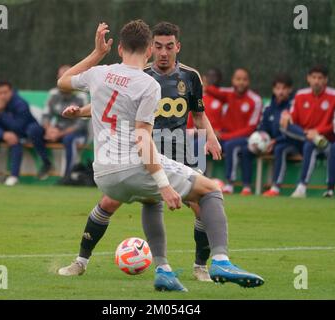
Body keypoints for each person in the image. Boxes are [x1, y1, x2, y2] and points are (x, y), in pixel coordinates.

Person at [57, 21, 264, 291]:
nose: (163, 52)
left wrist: (210, 137)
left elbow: (197, 114)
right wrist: (82, 111)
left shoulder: (188, 76)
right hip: (146, 151)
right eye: (158, 46)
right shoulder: (145, 79)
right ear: (149, 49)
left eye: (169, 47)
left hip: (171, 150)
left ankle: (194, 267)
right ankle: (83, 261)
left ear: (177, 47)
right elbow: (123, 115)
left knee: (188, 204)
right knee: (206, 193)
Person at [280, 64, 335, 198]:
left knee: (310, 145)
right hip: (304, 137)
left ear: (326, 80)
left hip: (327, 141)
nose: (316, 81)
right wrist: (287, 116)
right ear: (308, 78)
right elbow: (292, 119)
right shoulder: (300, 94)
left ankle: (302, 187)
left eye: (320, 78)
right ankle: (284, 187)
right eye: (313, 77)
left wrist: (318, 131)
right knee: (284, 124)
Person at [0, 81, 52, 186]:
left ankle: (14, 176)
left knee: (15, 140)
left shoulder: (20, 104)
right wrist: (3, 134)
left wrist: (1, 113)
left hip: (22, 132)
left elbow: (18, 127)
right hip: (3, 133)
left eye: (5, 92)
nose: (2, 96)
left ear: (11, 92)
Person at [205, 68, 263, 195]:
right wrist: (200, 81)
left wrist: (225, 136)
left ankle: (231, 184)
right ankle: (199, 181)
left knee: (233, 146)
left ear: (248, 82)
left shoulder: (255, 100)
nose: (241, 82)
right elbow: (212, 90)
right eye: (238, 79)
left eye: (244, 79)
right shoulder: (228, 94)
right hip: (227, 137)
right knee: (202, 143)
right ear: (233, 81)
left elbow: (250, 129)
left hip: (246, 138)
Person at [240, 74, 294, 196]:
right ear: (273, 90)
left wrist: (275, 141)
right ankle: (246, 187)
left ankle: (275, 188)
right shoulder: (268, 107)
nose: (280, 91)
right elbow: (262, 127)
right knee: (246, 149)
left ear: (289, 90)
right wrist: (262, 139)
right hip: (269, 142)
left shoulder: (292, 107)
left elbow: (291, 130)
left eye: (284, 88)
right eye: (278, 88)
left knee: (280, 149)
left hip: (288, 142)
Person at [42, 65, 88, 182]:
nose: (63, 80)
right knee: (34, 131)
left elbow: (80, 124)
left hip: (77, 134)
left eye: (67, 77)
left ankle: (67, 176)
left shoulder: (82, 96)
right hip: (56, 131)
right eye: (61, 77)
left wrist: (59, 134)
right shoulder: (53, 94)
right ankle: (46, 164)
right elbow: (46, 115)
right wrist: (49, 129)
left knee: (69, 140)